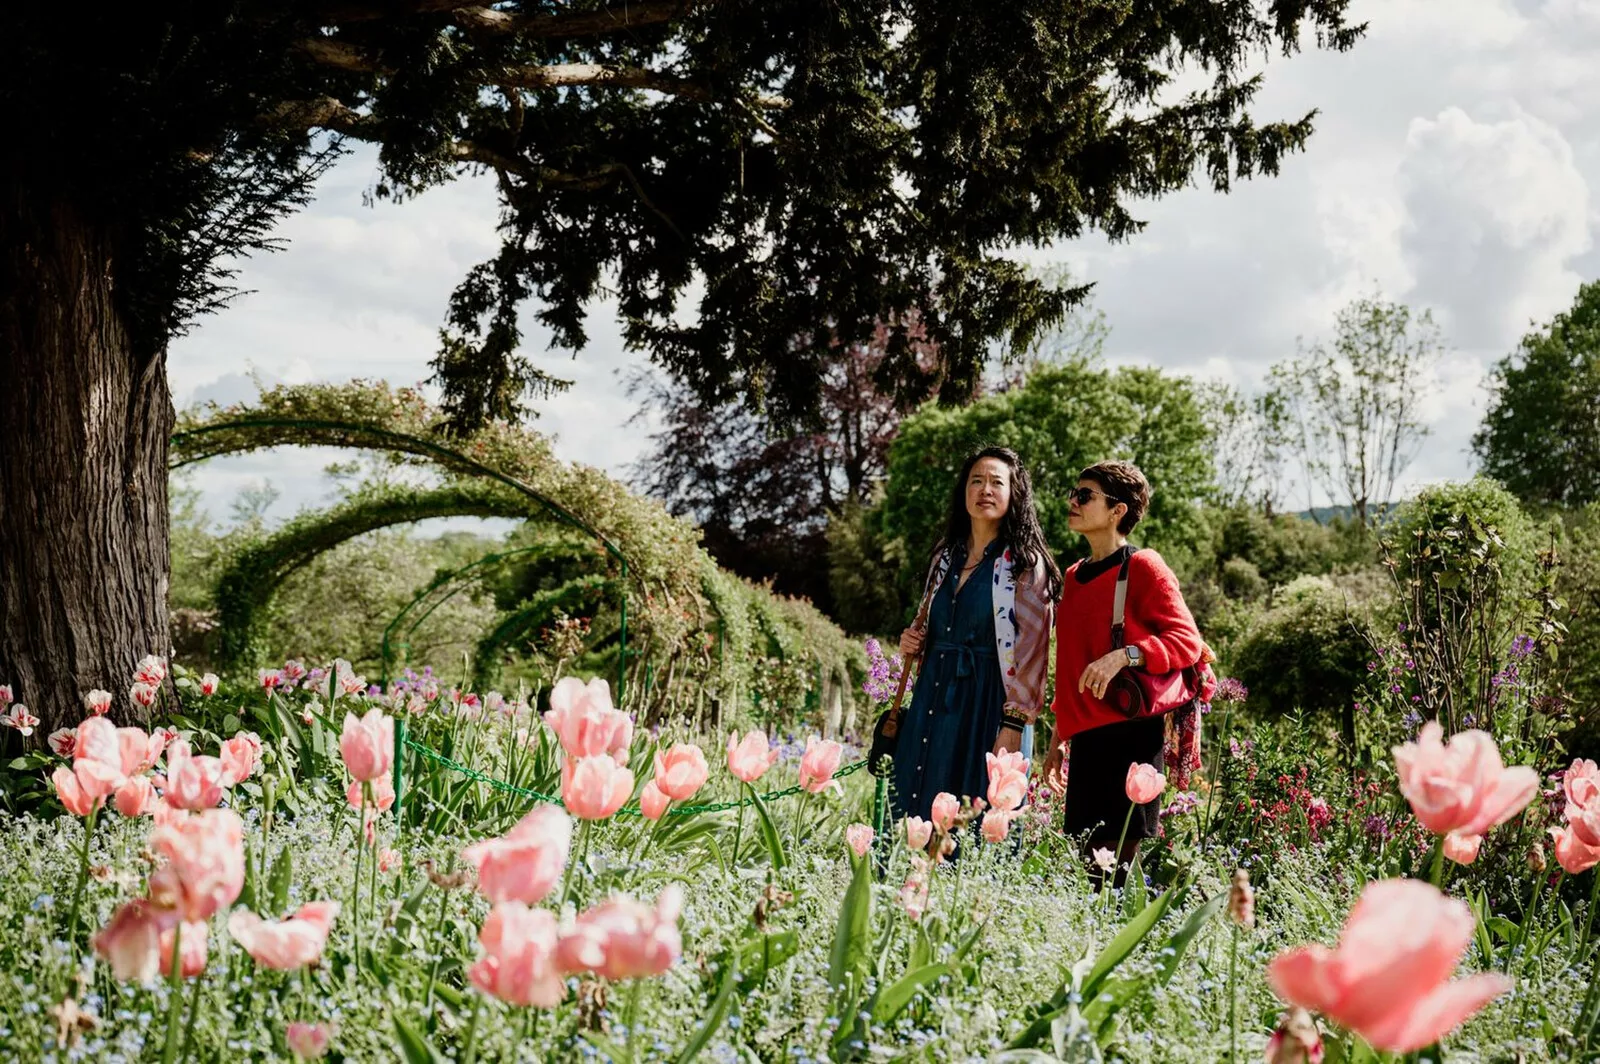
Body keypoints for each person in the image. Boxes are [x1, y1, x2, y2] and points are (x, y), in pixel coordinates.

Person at [1044, 460, 1204, 885]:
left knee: (1115, 873)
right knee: (1086, 868)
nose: (1072, 502)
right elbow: (1070, 665)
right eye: (1074, 493)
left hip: (1132, 733)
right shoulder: (1074, 578)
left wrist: (1126, 655)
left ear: (1118, 511)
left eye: (1085, 495)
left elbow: (1188, 641)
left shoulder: (1144, 566)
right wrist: (1059, 736)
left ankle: (1130, 945)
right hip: (1089, 740)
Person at [893, 446, 1061, 823]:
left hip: (990, 705)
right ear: (964, 491)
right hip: (932, 697)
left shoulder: (1025, 564)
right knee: (915, 802)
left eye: (996, 482)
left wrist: (1013, 725)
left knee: (977, 812)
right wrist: (913, 641)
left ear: (1014, 493)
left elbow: (1033, 655)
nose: (985, 489)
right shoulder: (945, 556)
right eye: (976, 481)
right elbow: (930, 624)